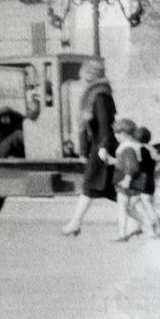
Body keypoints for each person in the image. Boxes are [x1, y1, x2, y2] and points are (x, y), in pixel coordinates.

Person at [62, 59, 117, 237]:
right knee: (112, 190)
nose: (80, 75)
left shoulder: (99, 96)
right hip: (100, 146)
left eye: (83, 72)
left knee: (89, 186)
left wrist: (102, 149)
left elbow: (104, 126)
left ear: (90, 74)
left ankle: (75, 222)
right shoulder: (99, 93)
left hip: (101, 147)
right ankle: (144, 221)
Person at [105, 119, 160, 241]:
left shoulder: (127, 147)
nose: (116, 136)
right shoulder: (131, 146)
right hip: (127, 181)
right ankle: (145, 225)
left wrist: (127, 179)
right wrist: (111, 160)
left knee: (123, 208)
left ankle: (123, 233)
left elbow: (131, 165)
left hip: (125, 182)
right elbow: (124, 163)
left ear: (123, 133)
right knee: (128, 208)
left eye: (117, 134)